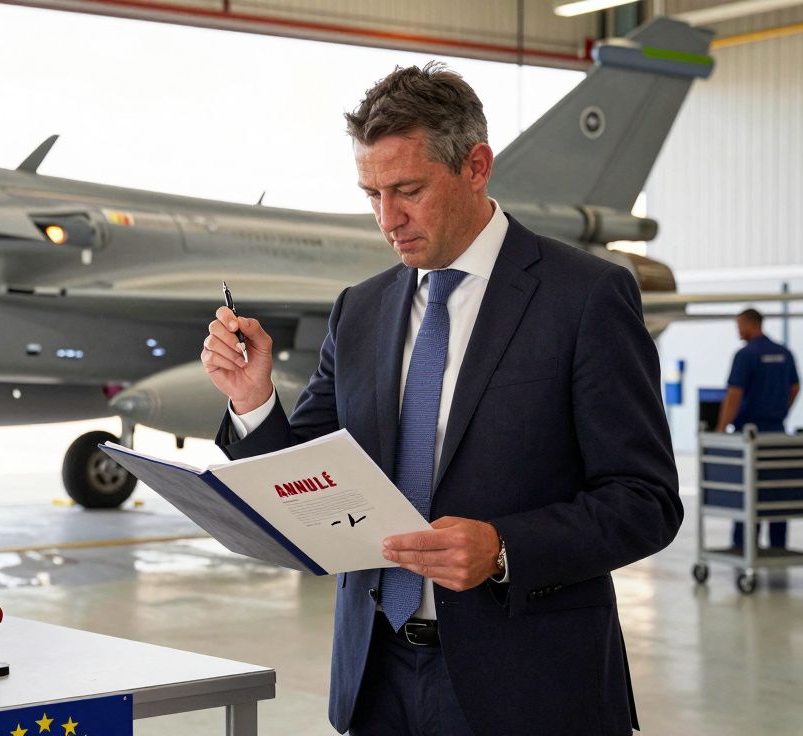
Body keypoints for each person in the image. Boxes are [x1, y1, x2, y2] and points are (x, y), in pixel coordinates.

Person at [200, 63, 680, 735]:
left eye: (408, 190)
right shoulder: (360, 310)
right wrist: (253, 402)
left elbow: (645, 500)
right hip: (377, 677)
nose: (387, 220)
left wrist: (505, 547)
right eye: (371, 194)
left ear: (476, 166)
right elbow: (304, 476)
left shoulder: (585, 298)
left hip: (529, 686)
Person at [715, 307, 801, 551]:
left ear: (749, 323)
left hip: (750, 435)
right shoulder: (784, 352)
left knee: (747, 494)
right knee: (775, 493)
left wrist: (722, 428)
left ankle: (744, 547)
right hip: (777, 434)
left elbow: (734, 393)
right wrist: (780, 410)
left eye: (739, 325)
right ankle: (778, 546)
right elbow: (795, 387)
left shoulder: (746, 355)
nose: (738, 331)